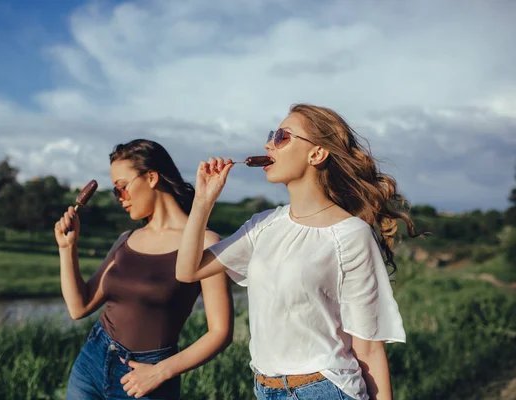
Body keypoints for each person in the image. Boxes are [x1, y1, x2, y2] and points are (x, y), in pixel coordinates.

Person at [175, 104, 421, 400]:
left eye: (282, 136)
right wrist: (203, 202)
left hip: (323, 389)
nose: (268, 144)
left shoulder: (350, 234)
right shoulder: (263, 225)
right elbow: (188, 271)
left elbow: (368, 347)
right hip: (265, 388)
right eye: (271, 136)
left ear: (316, 153)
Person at [55, 139, 233, 400]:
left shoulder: (206, 243)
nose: (120, 198)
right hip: (92, 362)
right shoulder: (126, 240)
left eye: (122, 188)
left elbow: (221, 333)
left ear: (151, 177)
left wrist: (160, 372)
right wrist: (67, 248)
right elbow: (78, 306)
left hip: (146, 379)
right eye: (116, 192)